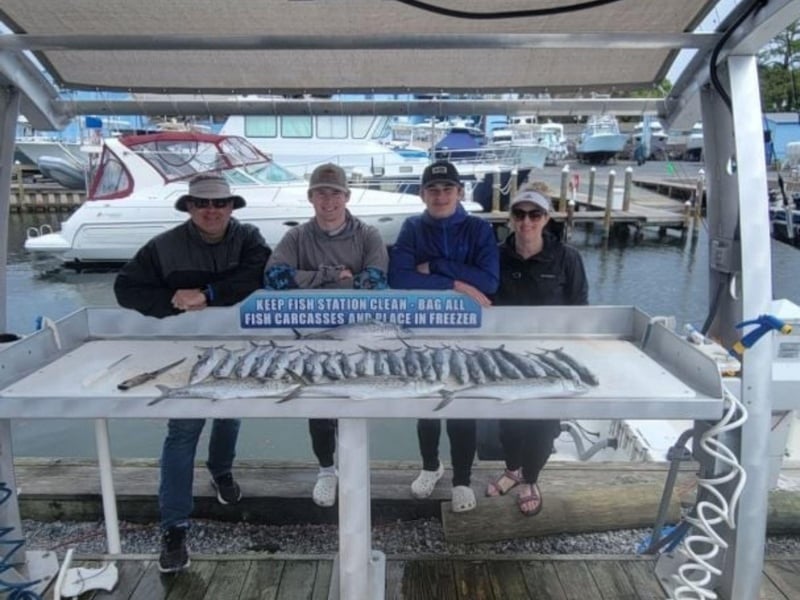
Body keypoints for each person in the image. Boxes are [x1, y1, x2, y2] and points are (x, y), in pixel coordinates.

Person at [114, 172, 271, 572]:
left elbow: (260, 275)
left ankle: (221, 472)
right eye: (202, 203)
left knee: (231, 412)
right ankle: (174, 527)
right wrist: (170, 297)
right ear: (189, 208)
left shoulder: (250, 237)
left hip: (238, 344)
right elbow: (125, 289)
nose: (211, 210)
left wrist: (210, 295)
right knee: (183, 429)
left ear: (232, 207)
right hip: (183, 348)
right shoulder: (162, 247)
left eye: (220, 203)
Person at [264, 162, 389, 507]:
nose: (329, 200)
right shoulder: (297, 237)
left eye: (335, 193)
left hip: (359, 335)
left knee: (358, 398)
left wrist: (305, 277)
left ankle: (355, 464)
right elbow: (274, 278)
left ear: (347, 197)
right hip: (312, 335)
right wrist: (333, 275)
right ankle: (326, 469)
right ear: (311, 198)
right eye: (321, 193)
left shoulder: (369, 235)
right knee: (317, 403)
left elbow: (377, 281)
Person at [388, 160, 499, 513]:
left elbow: (489, 282)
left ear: (460, 192)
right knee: (427, 407)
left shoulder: (479, 229)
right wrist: (456, 284)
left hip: (468, 333)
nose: (440, 196)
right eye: (433, 190)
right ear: (422, 194)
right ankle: (430, 466)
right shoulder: (411, 228)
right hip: (424, 330)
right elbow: (400, 278)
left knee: (463, 409)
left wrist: (437, 268)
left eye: (447, 189)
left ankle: (463, 479)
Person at [487, 183, 588, 516]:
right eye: (519, 214)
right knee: (509, 421)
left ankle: (531, 478)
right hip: (506, 355)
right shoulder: (496, 256)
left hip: (550, 357)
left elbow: (580, 309)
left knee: (543, 426)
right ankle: (512, 469)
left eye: (534, 214)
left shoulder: (567, 258)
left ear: (547, 218)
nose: (526, 221)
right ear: (510, 219)